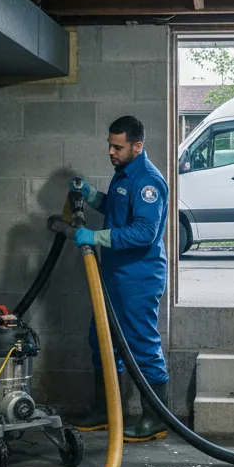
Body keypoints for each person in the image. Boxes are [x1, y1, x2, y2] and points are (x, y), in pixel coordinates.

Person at [69, 116, 170, 443]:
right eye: (109, 145)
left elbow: (144, 231)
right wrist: (92, 196)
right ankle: (104, 411)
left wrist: (94, 238)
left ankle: (155, 419)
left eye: (118, 146)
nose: (110, 151)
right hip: (113, 276)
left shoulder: (149, 181)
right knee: (101, 340)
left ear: (137, 147)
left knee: (140, 345)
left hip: (138, 278)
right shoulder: (124, 174)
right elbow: (118, 208)